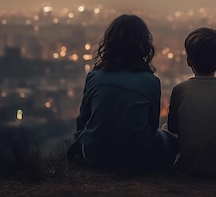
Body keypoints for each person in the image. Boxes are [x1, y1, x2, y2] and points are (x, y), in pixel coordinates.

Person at [68, 14, 177, 170]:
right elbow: (151, 125)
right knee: (169, 137)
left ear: (109, 43)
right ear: (144, 45)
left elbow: (83, 119)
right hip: (137, 156)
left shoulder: (94, 76)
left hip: (95, 154)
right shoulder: (151, 82)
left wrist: (81, 144)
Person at [167, 27, 216, 178]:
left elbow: (172, 127)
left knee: (164, 128)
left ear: (189, 61)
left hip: (186, 169)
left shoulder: (180, 90)